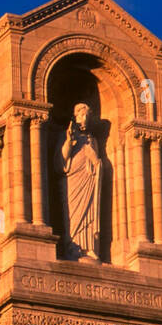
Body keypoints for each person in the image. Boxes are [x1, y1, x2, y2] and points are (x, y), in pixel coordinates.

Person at [56, 101, 102, 260]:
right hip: (72, 180)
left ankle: (89, 247)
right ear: (75, 117)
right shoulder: (67, 134)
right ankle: (73, 246)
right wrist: (69, 141)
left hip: (89, 179)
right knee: (73, 215)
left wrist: (96, 163)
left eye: (87, 116)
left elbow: (97, 162)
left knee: (89, 214)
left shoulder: (92, 140)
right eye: (81, 115)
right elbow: (61, 160)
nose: (85, 118)